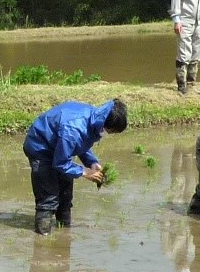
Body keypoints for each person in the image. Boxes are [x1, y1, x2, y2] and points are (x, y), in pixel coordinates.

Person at [23, 98, 129, 235]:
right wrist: (86, 172)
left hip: (60, 149)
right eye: (111, 131)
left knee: (65, 197)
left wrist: (92, 163)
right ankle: (42, 240)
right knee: (48, 198)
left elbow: (80, 144)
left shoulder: (94, 119)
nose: (110, 135)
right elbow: (60, 162)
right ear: (105, 125)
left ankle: (64, 236)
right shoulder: (74, 129)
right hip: (40, 148)